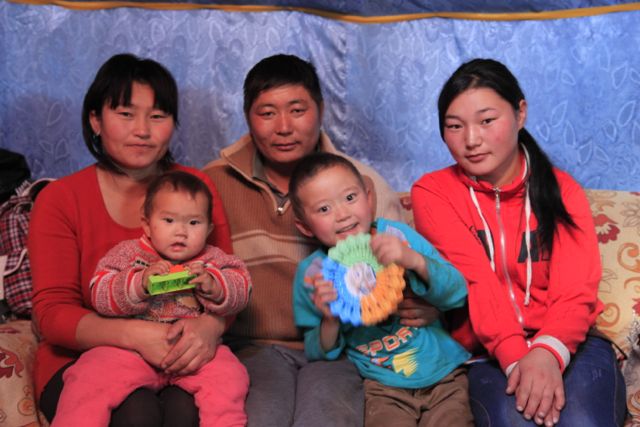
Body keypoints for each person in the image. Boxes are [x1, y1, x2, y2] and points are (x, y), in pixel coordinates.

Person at [203, 53, 435, 426]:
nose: (283, 127)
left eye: (297, 110)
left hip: (345, 349)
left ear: (321, 110)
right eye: (267, 113)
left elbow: (409, 275)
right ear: (247, 117)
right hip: (251, 349)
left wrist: (425, 307)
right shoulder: (213, 184)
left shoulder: (361, 185)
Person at [411, 58, 626, 427]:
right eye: (455, 126)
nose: (471, 140)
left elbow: (576, 290)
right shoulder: (433, 193)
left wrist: (547, 353)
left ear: (520, 113)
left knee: (582, 422)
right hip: (486, 351)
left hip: (570, 344)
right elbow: (475, 282)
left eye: (486, 121)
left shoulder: (563, 191)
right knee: (516, 421)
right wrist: (517, 359)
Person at [29, 53, 234, 426]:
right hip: (81, 360)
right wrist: (135, 335)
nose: (142, 130)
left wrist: (211, 327)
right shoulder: (60, 199)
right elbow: (52, 313)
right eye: (125, 114)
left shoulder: (196, 188)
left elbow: (229, 277)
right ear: (95, 120)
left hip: (181, 353)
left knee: (187, 412)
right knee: (135, 414)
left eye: (157, 116)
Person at [51, 171, 251, 426]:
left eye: (194, 223)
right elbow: (99, 294)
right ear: (146, 224)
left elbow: (243, 288)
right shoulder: (127, 254)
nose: (181, 232)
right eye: (168, 220)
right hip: (130, 353)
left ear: (209, 228)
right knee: (89, 375)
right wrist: (139, 284)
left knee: (231, 375)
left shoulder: (213, 259)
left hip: (193, 355)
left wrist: (215, 286)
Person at [290, 152, 474, 427]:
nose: (342, 214)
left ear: (369, 197)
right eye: (324, 209)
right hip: (382, 387)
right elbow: (317, 351)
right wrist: (330, 320)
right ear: (305, 226)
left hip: (444, 373)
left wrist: (413, 260)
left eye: (350, 197)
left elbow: (457, 293)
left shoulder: (398, 237)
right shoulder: (314, 274)